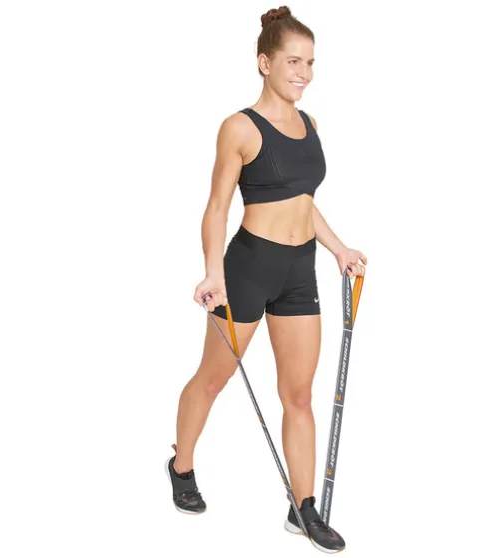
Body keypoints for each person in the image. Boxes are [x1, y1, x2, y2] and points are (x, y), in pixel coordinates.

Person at [165, 5, 366, 554]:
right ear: (265, 62)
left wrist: (339, 248)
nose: (304, 72)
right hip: (249, 268)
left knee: (298, 395)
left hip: (300, 271)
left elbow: (302, 202)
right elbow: (216, 207)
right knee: (213, 379)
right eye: (293, 61)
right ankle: (181, 466)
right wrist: (213, 272)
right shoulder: (240, 127)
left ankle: (303, 508)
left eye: (311, 62)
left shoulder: (310, 125)